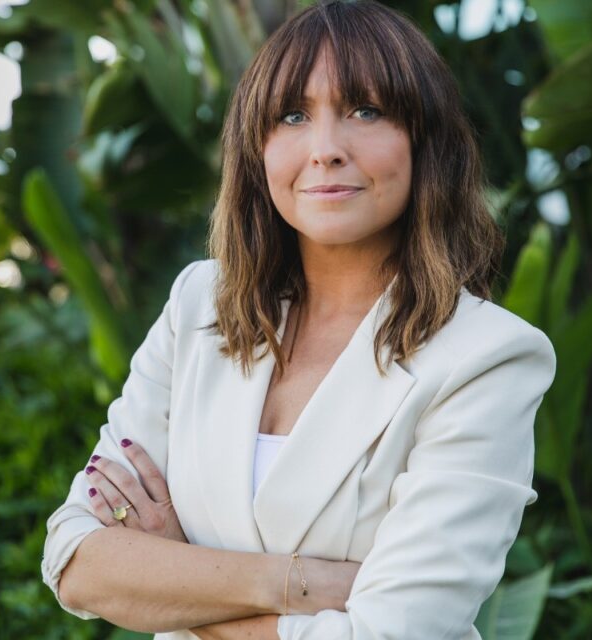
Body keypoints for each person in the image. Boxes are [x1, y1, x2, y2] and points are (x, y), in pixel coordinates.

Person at [41, 1, 557, 638]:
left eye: (366, 110)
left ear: (426, 142)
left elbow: (391, 633)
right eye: (292, 115)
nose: (326, 150)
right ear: (256, 148)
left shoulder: (488, 355)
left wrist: (178, 578)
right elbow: (74, 560)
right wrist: (295, 585)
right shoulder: (199, 306)